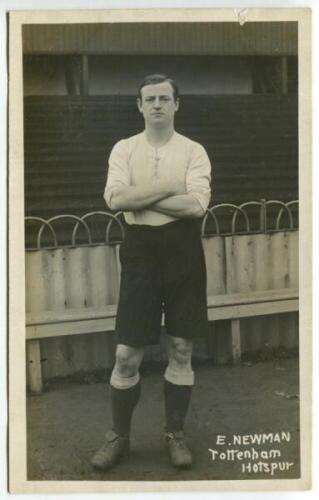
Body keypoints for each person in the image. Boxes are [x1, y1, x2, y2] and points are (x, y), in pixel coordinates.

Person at [91, 74, 211, 471]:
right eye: (149, 99)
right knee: (126, 355)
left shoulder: (194, 151)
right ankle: (119, 437)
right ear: (139, 106)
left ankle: (175, 434)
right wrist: (166, 188)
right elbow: (115, 199)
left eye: (164, 98)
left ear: (177, 104)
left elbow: (196, 208)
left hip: (183, 251)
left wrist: (142, 196)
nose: (157, 104)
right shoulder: (124, 149)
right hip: (140, 250)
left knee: (181, 347)